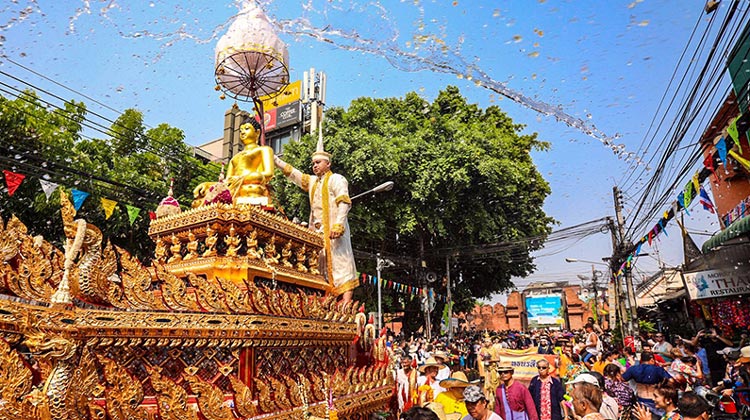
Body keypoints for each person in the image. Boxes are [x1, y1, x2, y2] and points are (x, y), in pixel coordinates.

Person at [274, 138, 358, 301]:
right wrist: (275, 160)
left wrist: (339, 225)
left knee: (342, 266)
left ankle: (346, 307)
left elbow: (344, 203)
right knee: (322, 269)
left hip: (336, 233)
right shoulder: (312, 182)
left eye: (318, 162)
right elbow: (293, 173)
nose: (315, 166)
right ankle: (329, 304)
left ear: (328, 164)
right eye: (313, 163)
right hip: (318, 235)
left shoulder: (337, 179)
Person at [622, 352, 672, 417]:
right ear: (652, 360)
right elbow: (671, 381)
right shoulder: (658, 369)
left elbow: (622, 379)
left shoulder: (633, 369)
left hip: (640, 399)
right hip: (655, 399)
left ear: (641, 360)